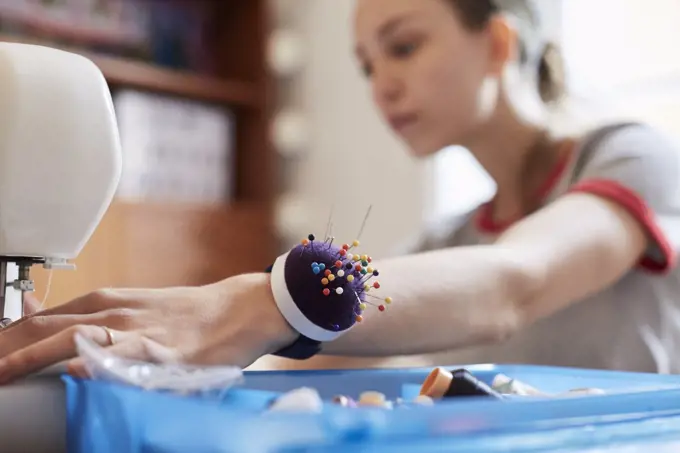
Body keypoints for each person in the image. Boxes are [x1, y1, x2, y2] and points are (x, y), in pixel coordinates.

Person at [1, 0, 679, 383]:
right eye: (365, 64)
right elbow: (310, 349)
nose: (380, 83)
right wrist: (142, 361)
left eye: (404, 46)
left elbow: (511, 283)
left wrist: (258, 298)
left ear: (498, 43)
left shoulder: (632, 156)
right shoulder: (453, 239)